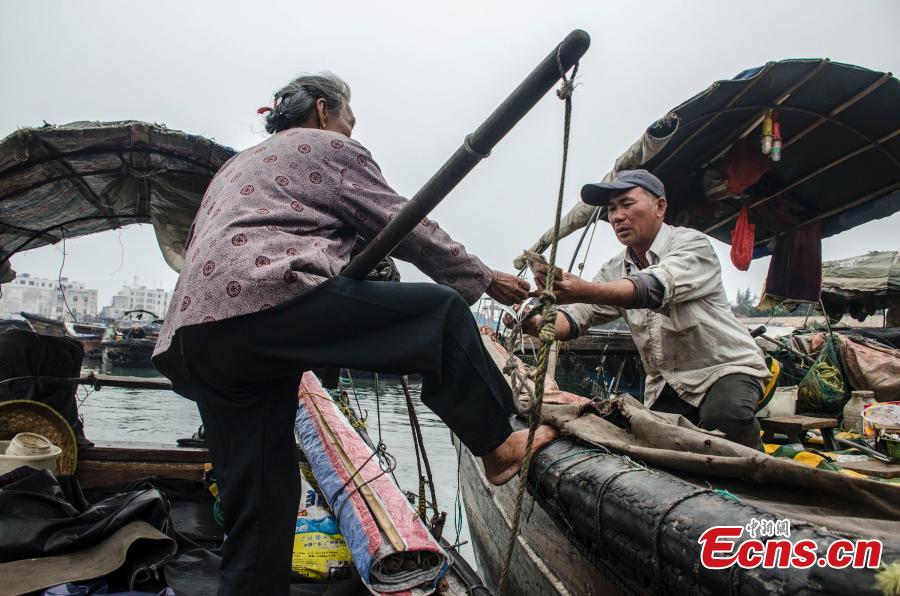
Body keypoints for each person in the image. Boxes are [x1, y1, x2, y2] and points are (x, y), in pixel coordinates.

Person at [151, 72, 556, 595]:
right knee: (441, 315)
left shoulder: (236, 165)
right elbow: (404, 223)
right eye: (348, 117)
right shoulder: (325, 146)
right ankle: (499, 446)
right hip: (262, 297)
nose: (349, 128)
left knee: (261, 506)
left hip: (194, 336)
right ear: (323, 110)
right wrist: (481, 276)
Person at [520, 169, 770, 450]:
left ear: (660, 207)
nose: (616, 216)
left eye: (627, 204)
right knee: (654, 441)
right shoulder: (614, 268)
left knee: (725, 416)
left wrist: (583, 289)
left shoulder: (691, 244)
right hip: (668, 383)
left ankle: (770, 483)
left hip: (725, 368)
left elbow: (653, 287)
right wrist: (538, 323)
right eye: (611, 210)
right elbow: (580, 315)